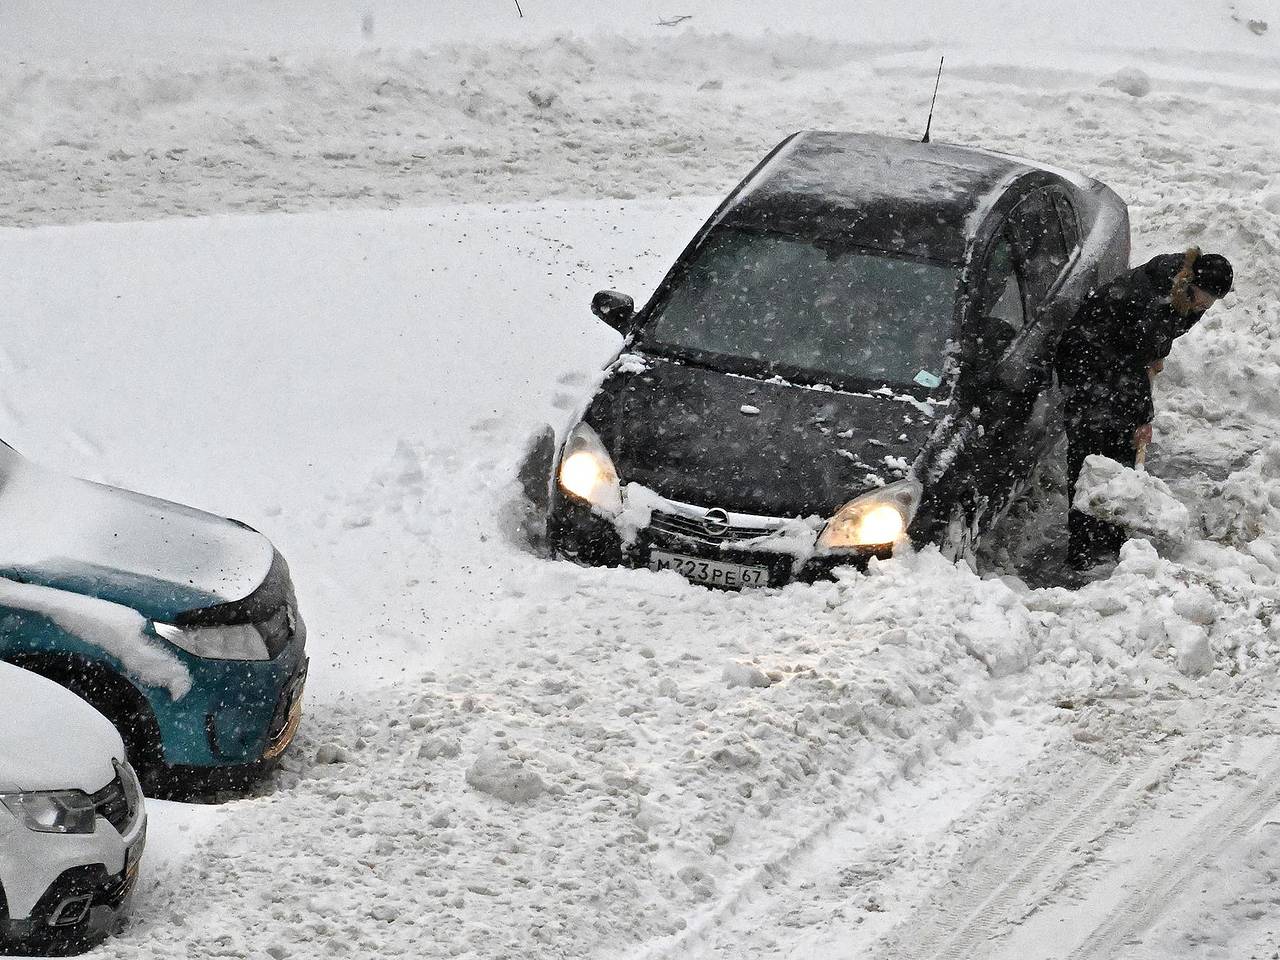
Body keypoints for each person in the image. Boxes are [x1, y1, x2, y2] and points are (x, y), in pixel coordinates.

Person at [1055, 247, 1233, 570]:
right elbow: (1131, 364)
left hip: (1121, 358)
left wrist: (1158, 350)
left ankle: (1110, 537)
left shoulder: (1185, 290)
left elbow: (1158, 338)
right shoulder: (1149, 299)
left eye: (1209, 304)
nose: (1203, 308)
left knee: (1120, 451)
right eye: (1201, 300)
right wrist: (1142, 418)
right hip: (1088, 359)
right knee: (1089, 454)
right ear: (1191, 282)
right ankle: (1081, 548)